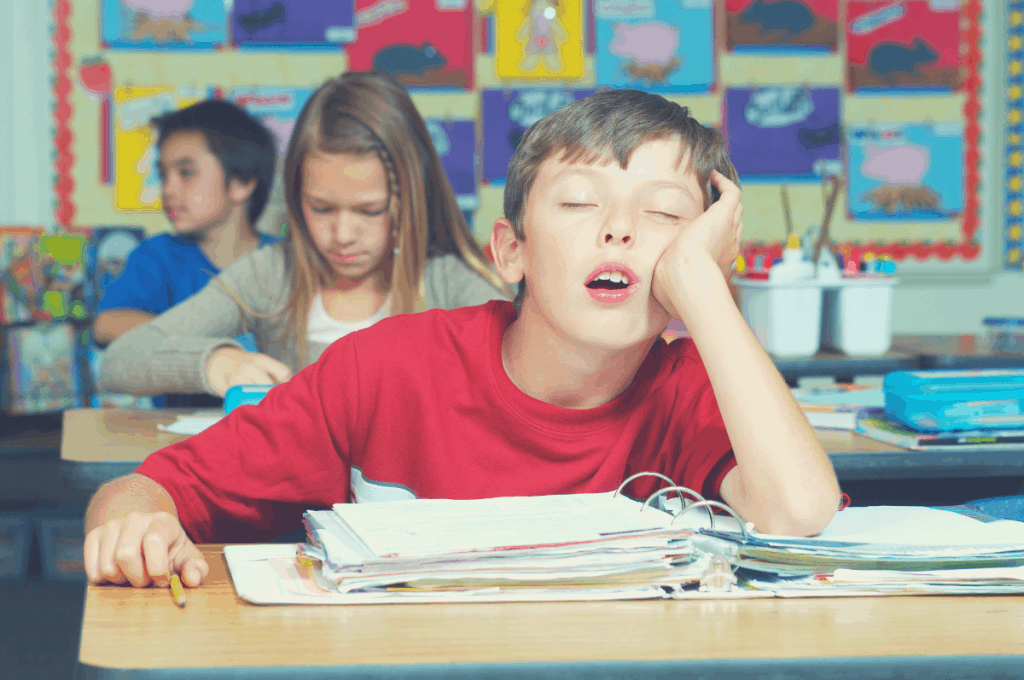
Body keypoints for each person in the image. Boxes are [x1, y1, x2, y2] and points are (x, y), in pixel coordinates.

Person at [84, 89, 841, 590]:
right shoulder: (380, 368)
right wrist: (130, 528)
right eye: (579, 202)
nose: (619, 228)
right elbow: (141, 490)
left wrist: (703, 293)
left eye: (666, 218)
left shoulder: (686, 387)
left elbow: (800, 511)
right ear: (509, 251)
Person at [97, 72, 511, 399]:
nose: (343, 235)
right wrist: (214, 362)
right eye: (322, 208)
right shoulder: (270, 275)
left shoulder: (446, 281)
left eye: (370, 210)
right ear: (295, 198)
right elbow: (120, 361)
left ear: (410, 198)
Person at [92, 99, 280, 407]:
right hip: (178, 430)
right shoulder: (157, 256)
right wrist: (207, 344)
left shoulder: (285, 260)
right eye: (163, 174)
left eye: (186, 172)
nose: (168, 189)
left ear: (241, 183)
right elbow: (106, 325)